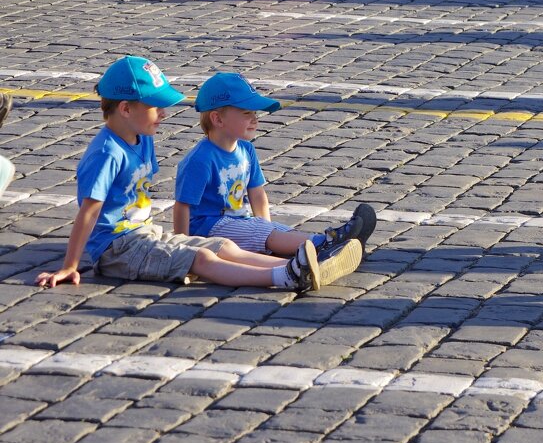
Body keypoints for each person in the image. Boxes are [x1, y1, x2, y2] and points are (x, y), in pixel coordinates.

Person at [34, 56, 363, 291]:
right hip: (115, 250)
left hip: (143, 235)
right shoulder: (107, 153)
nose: (163, 114)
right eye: (155, 107)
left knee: (221, 245)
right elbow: (89, 211)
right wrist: (70, 265)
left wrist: (175, 237)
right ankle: (283, 278)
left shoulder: (142, 137)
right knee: (201, 258)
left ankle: (297, 266)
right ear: (125, 108)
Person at [173, 72, 377, 256]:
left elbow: (257, 193)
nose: (254, 119)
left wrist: (266, 229)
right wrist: (184, 248)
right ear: (217, 119)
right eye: (247, 113)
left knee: (281, 230)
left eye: (255, 114)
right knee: (264, 232)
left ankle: (336, 245)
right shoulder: (200, 159)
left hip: (239, 222)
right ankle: (327, 244)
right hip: (208, 228)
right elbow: (182, 206)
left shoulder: (246, 150)